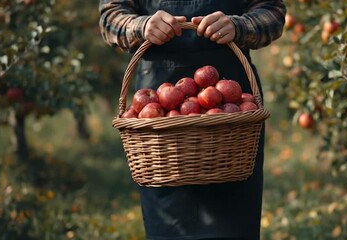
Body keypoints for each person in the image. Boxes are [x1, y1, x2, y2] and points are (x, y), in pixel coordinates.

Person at [99, 1, 286, 239]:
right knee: (170, 229)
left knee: (232, 224)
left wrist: (240, 26)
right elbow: (110, 17)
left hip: (230, 107)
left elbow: (272, 11)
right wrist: (141, 26)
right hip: (159, 108)